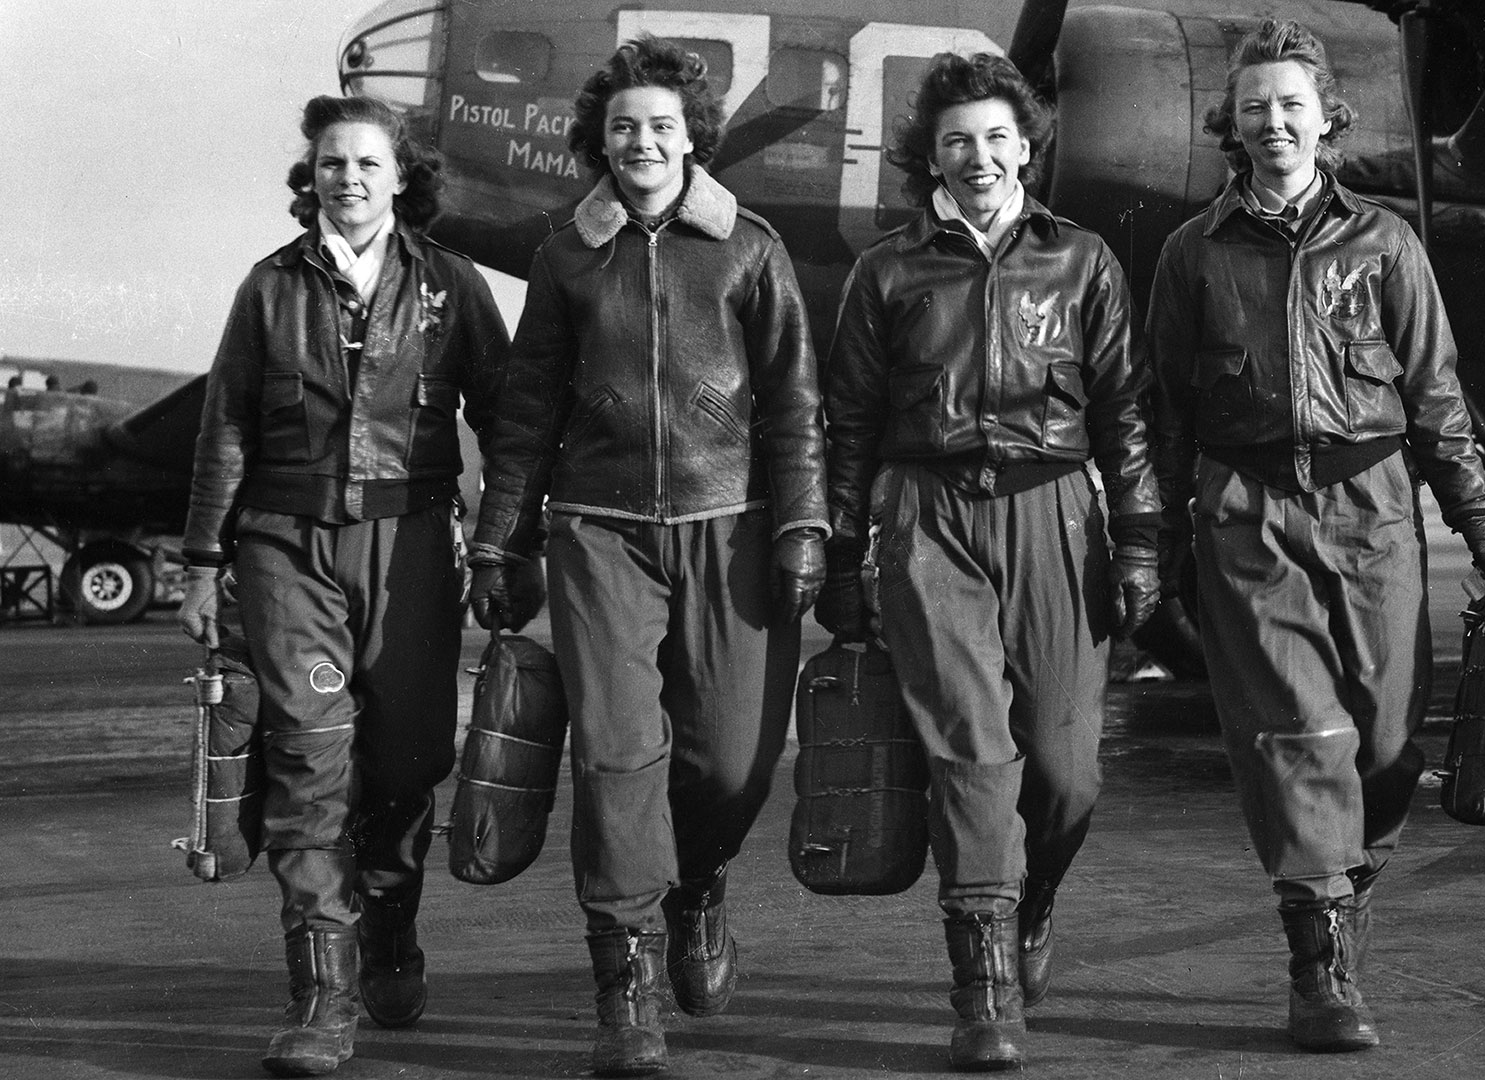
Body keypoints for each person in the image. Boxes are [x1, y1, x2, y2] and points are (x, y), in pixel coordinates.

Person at [1147, 18, 1485, 1053]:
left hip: (1373, 511)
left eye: (1291, 105)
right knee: (1295, 733)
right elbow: (1166, 408)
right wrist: (1154, 541)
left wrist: (1479, 519)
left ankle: (1345, 890)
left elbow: (1436, 395)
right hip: (1247, 513)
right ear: (1232, 125)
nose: (1273, 122)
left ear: (1326, 119)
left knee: (1387, 746)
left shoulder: (1386, 244)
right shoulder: (1191, 254)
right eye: (1254, 107)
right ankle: (1320, 966)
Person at [466, 35, 826, 1078]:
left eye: (662, 125)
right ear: (601, 140)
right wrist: (499, 540)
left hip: (732, 526)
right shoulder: (564, 257)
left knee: (732, 762)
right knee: (617, 758)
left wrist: (804, 526)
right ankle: (624, 987)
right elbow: (526, 413)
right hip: (599, 531)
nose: (643, 142)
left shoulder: (751, 248)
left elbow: (795, 405)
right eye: (624, 126)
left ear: (692, 137)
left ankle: (698, 884)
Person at [820, 52, 1160, 1072]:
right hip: (928, 518)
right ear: (931, 155)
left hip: (1055, 514)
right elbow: (849, 426)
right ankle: (984, 987)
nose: (978, 156)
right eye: (957, 140)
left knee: (1064, 772)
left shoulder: (1083, 261)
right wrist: (844, 554)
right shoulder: (886, 272)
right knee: (971, 755)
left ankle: (1032, 897)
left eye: (997, 137)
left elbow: (1124, 413)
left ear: (1027, 147)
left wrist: (1140, 541)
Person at [178, 95, 511, 1076]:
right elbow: (225, 427)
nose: (350, 178)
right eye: (332, 163)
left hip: (413, 545)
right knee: (309, 761)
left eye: (369, 162)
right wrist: (201, 562)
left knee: (408, 763)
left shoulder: (453, 284)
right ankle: (323, 997)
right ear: (312, 177)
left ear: (402, 176)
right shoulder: (269, 287)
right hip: (285, 545)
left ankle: (391, 924)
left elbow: (504, 420)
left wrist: (506, 546)